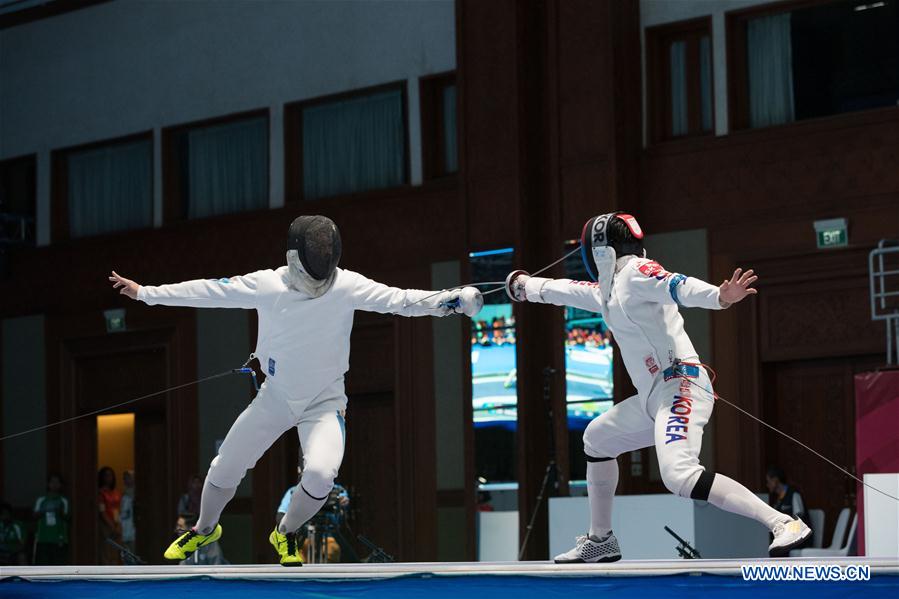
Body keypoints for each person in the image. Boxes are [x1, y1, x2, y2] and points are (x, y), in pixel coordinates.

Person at [109, 215, 482, 566]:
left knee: (320, 474)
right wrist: (146, 294)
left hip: (325, 402)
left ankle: (284, 532)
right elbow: (210, 291)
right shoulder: (268, 284)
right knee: (227, 465)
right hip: (276, 397)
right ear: (294, 257)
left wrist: (448, 302)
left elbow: (401, 300)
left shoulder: (346, 285)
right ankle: (204, 528)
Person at [505, 212, 811, 563]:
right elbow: (564, 290)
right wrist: (523, 286)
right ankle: (601, 540)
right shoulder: (607, 289)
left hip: (681, 385)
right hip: (653, 397)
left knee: (679, 475)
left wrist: (719, 297)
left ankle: (782, 522)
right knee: (596, 439)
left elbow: (677, 285)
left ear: (600, 251)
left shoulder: (637, 271)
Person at [766, 466, 811, 554]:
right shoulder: (777, 500)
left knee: (776, 551)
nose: (767, 485)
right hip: (784, 537)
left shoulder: (794, 494)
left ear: (775, 480)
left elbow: (799, 519)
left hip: (799, 539)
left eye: (768, 481)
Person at [33, 473, 70, 565]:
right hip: (43, 538)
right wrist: (45, 510)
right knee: (42, 565)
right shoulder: (41, 500)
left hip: (59, 538)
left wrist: (59, 510)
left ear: (61, 485)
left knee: (59, 565)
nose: (54, 484)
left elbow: (67, 518)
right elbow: (34, 516)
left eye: (57, 482)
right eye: (52, 482)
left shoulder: (63, 501)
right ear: (48, 484)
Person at [97, 466, 122, 565]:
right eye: (106, 475)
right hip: (105, 525)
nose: (109, 478)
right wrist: (111, 525)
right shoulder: (101, 493)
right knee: (106, 549)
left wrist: (117, 525)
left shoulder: (117, 493)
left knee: (117, 549)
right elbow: (101, 511)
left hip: (117, 523)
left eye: (111, 475)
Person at [0, 501, 26, 565]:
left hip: (13, 553)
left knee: (21, 556)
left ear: (10, 513)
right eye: (2, 514)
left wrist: (10, 550)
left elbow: (22, 544)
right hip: (1, 552)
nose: (4, 516)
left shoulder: (17, 525)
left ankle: (23, 574)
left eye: (6, 513)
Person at [120, 470, 136, 554]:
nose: (126, 480)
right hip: (124, 525)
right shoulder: (123, 493)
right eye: (124, 478)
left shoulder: (136, 493)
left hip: (132, 526)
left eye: (128, 478)